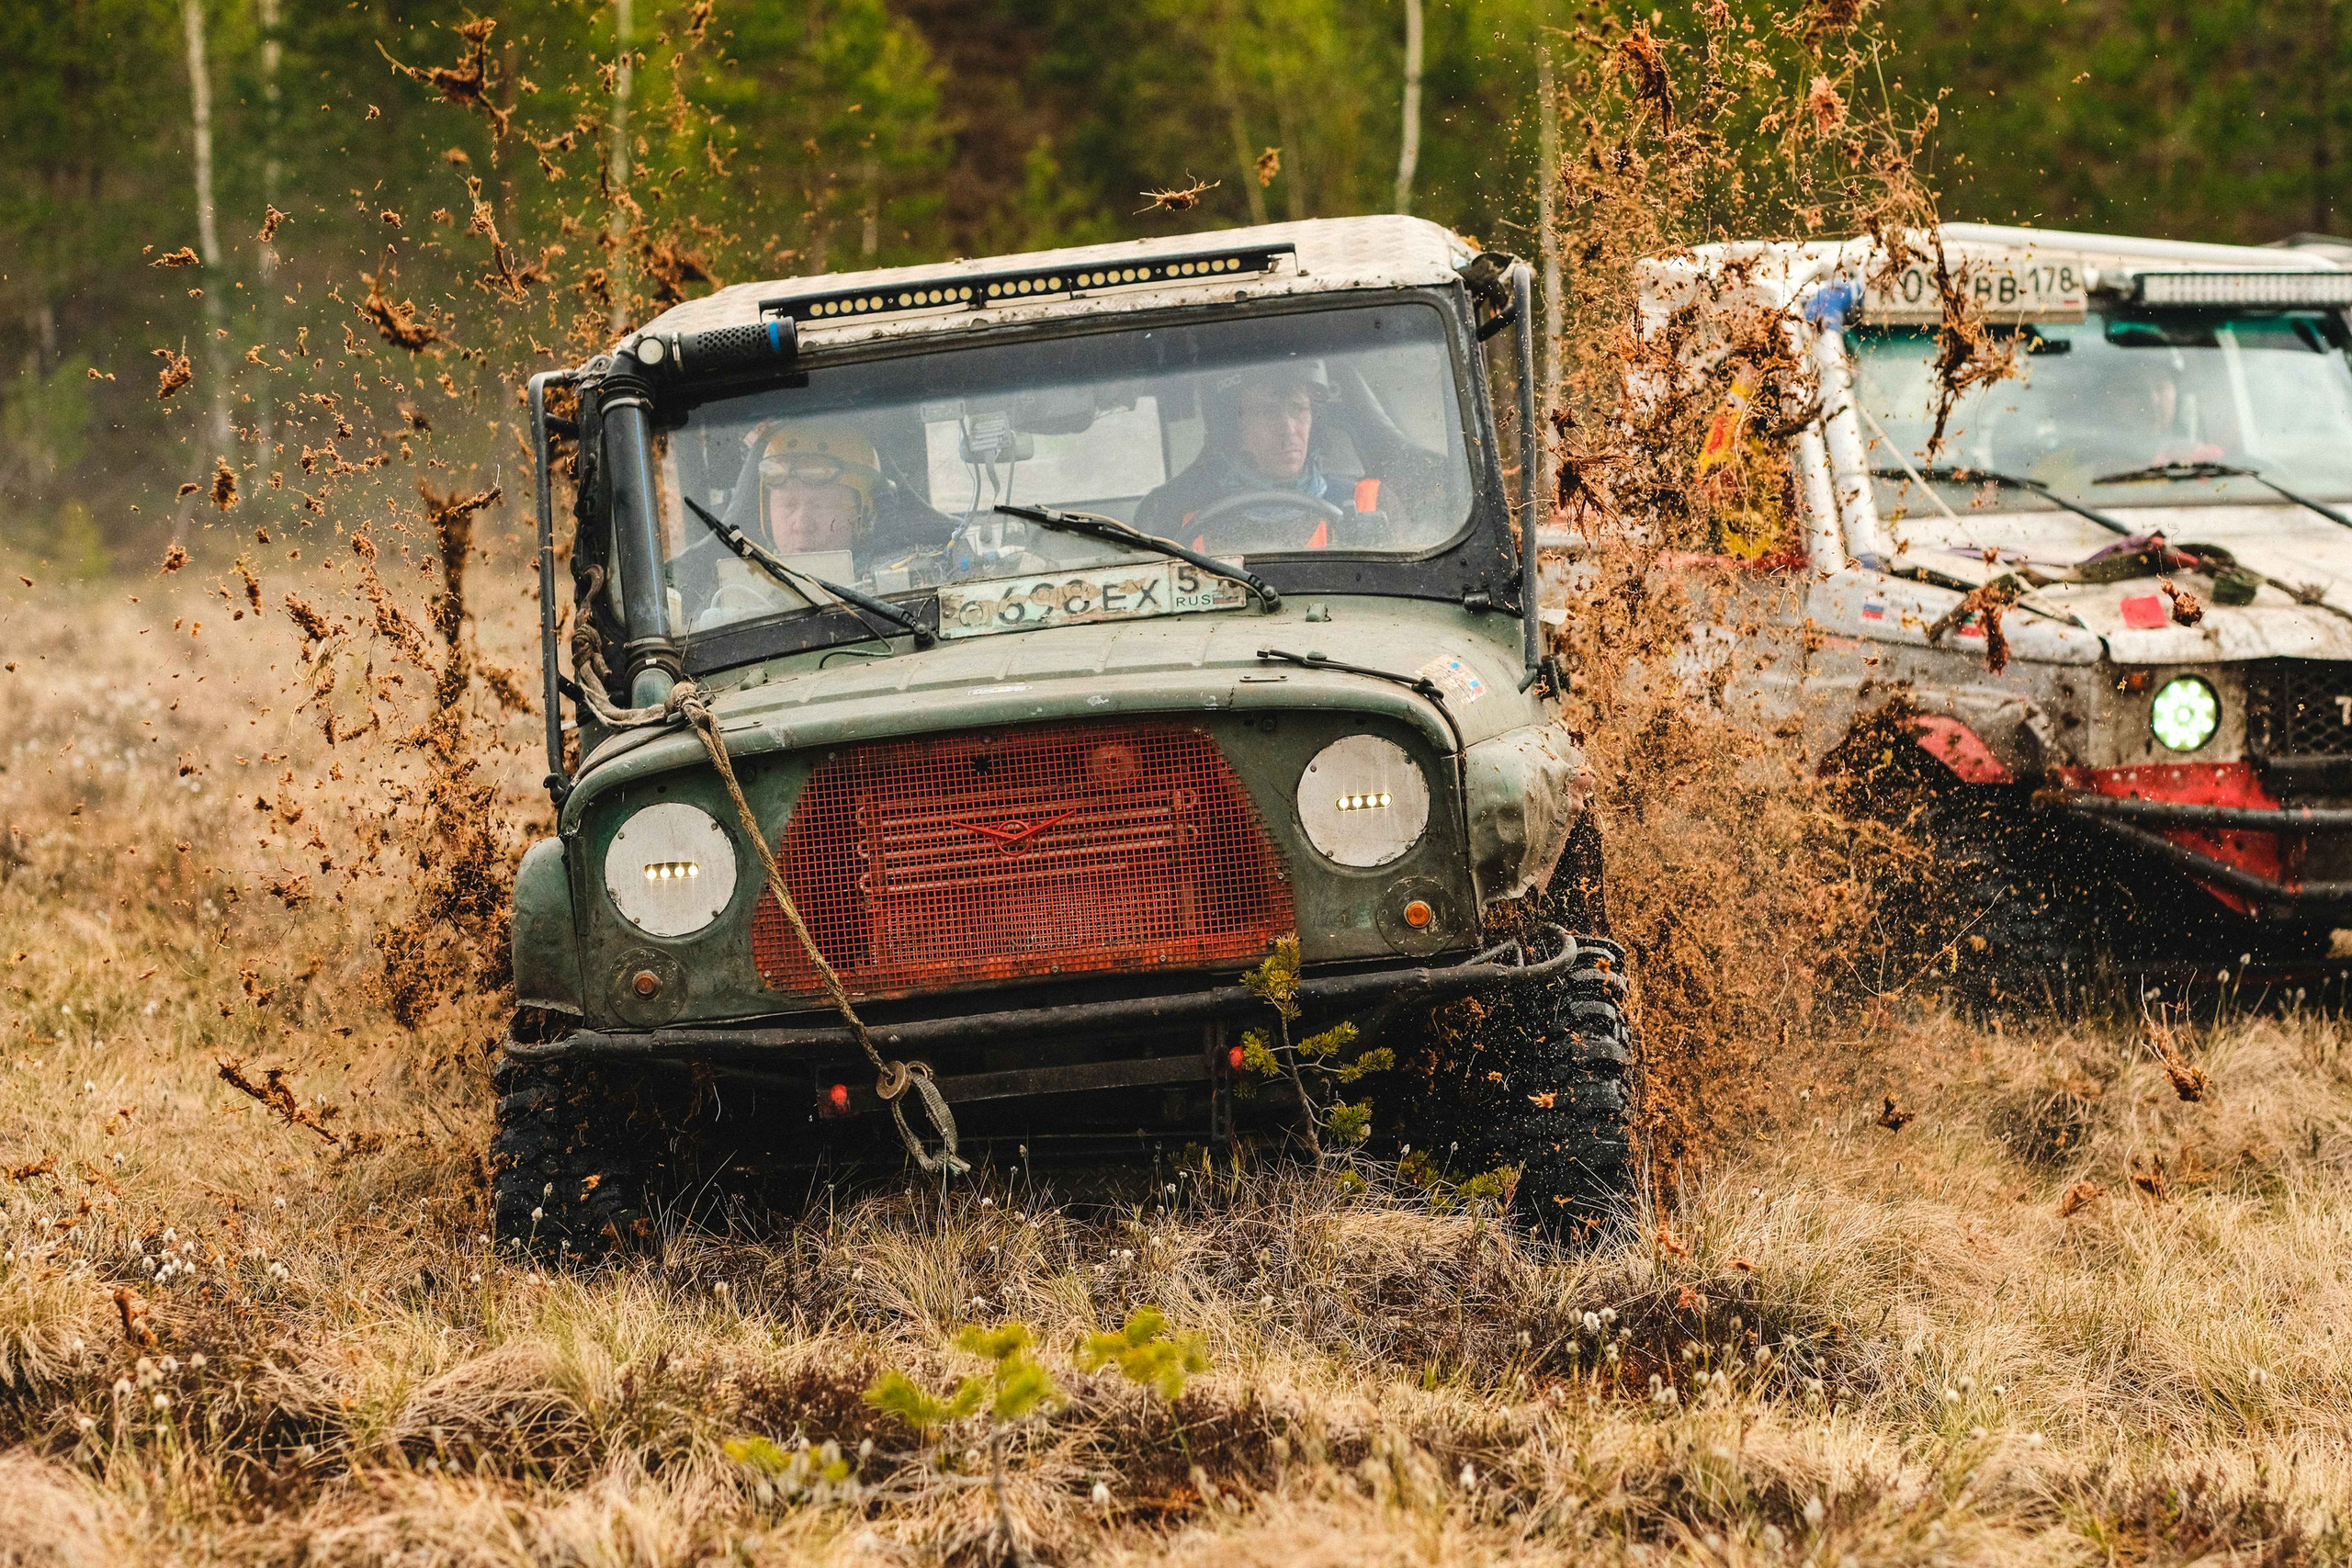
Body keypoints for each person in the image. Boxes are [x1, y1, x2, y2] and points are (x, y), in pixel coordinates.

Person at [1135, 362, 1354, 547]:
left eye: (1298, 409)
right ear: (1232, 428)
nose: (1288, 430)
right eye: (1267, 411)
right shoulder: (1169, 512)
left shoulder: (1363, 500)